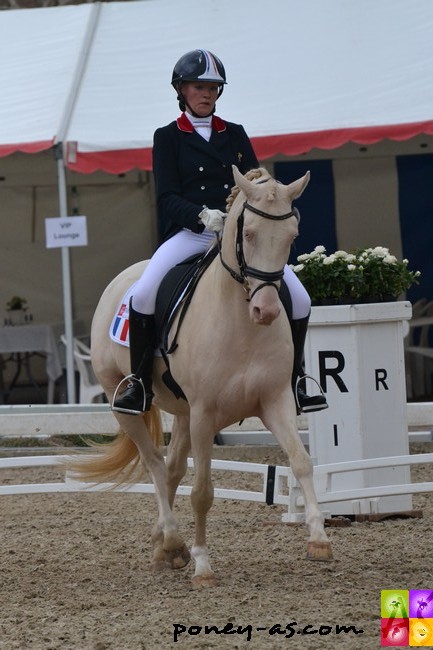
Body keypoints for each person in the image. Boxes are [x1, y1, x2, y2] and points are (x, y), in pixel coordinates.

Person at [112, 49, 327, 416]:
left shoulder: (236, 133)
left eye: (213, 87)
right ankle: (139, 382)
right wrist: (201, 216)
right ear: (182, 89)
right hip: (193, 232)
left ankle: (298, 379)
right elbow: (165, 197)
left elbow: (257, 181)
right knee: (143, 294)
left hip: (241, 237)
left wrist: (264, 201)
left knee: (301, 298)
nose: (206, 93)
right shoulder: (168, 137)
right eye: (198, 86)